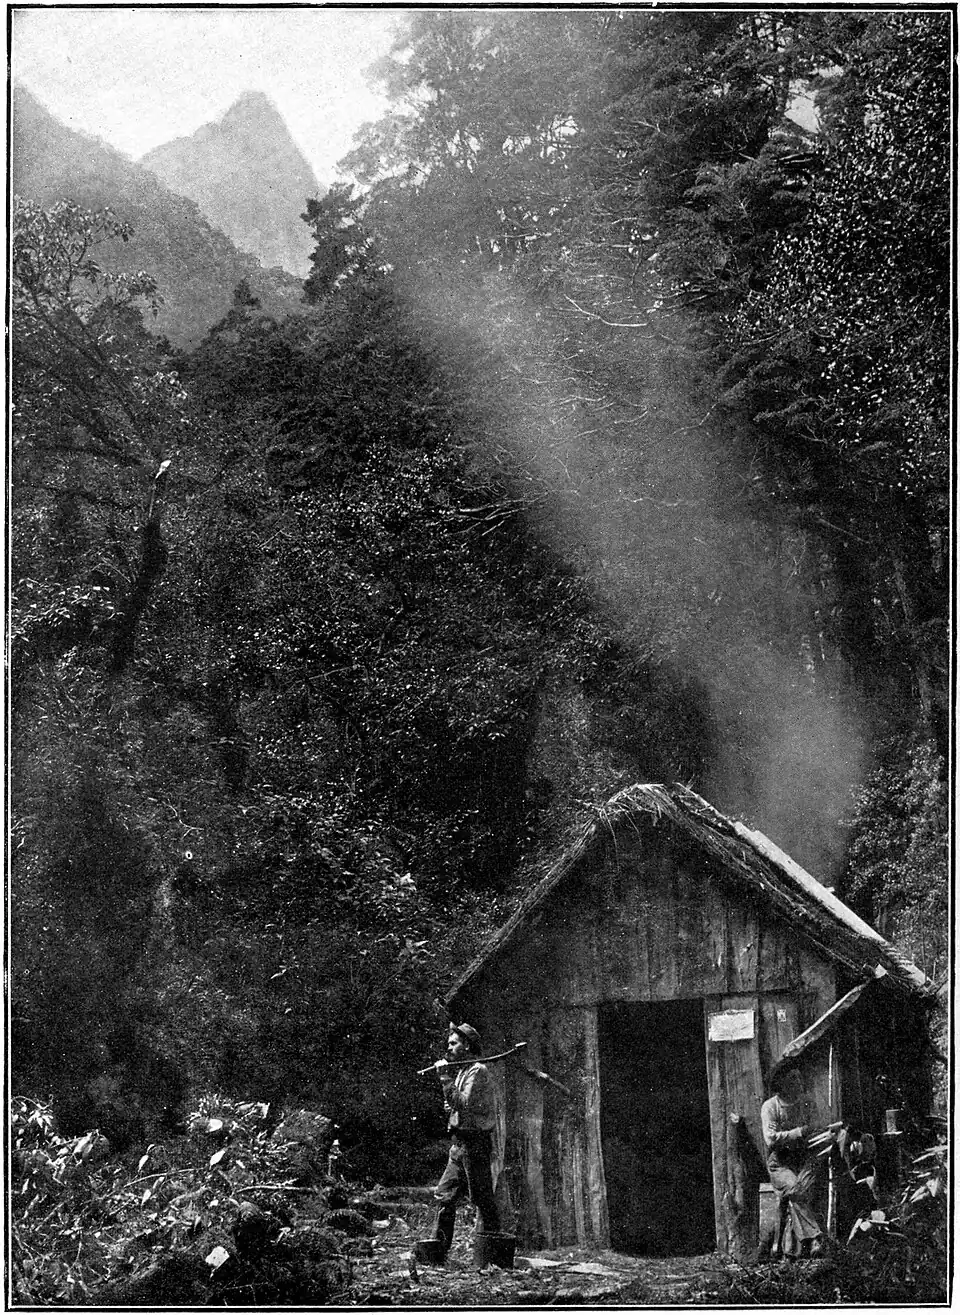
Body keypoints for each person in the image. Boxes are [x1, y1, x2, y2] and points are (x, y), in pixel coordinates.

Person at [431, 1022, 501, 1259]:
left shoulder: (477, 1071)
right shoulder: (462, 1071)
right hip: (459, 1145)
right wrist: (449, 1103)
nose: (448, 1048)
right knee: (444, 1194)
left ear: (467, 1045)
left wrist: (444, 1079)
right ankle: (437, 1254)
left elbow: (465, 1103)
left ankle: (494, 1257)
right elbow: (458, 1105)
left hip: (475, 1145)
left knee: (482, 1198)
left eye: (454, 1043)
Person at [761, 1063, 841, 1258]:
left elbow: (814, 1128)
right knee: (797, 1190)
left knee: (801, 1191)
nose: (799, 1082)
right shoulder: (770, 1107)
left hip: (803, 1159)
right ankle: (816, 1238)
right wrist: (798, 1132)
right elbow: (770, 1138)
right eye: (793, 1079)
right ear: (782, 1083)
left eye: (799, 1078)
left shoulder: (807, 1103)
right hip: (780, 1163)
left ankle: (794, 1249)